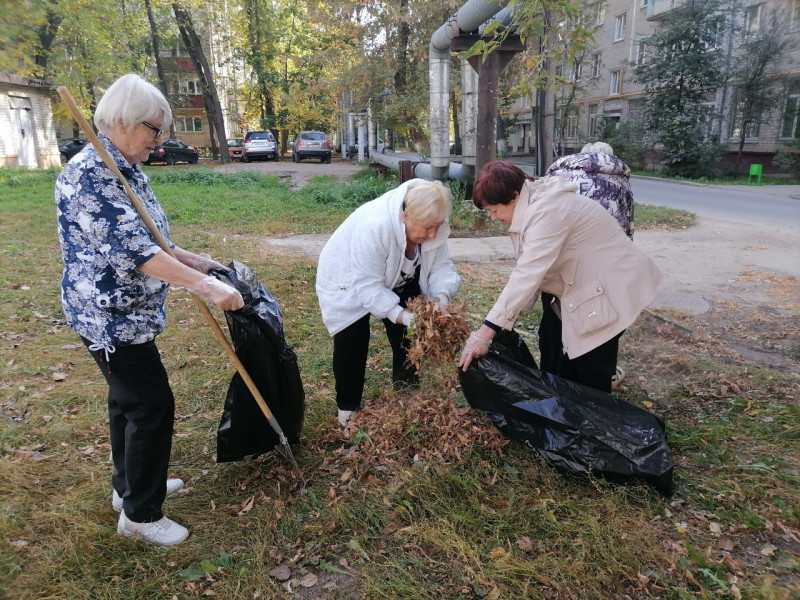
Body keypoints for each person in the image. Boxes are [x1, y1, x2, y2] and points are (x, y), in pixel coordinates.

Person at [55, 73, 244, 546]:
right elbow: (135, 254)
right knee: (150, 406)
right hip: (108, 319)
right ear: (121, 121)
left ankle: (129, 487)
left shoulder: (124, 166)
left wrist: (195, 260)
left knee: (127, 402)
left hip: (127, 315)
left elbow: (152, 240)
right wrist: (204, 286)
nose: (160, 141)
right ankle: (140, 513)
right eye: (154, 130)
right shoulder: (89, 177)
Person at [458, 161, 662, 393]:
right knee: (552, 345)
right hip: (580, 287)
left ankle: (595, 422)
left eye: (494, 210)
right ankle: (564, 414)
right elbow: (532, 275)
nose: (493, 217)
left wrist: (486, 332)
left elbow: (528, 273)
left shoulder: (548, 210)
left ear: (514, 196)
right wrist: (503, 322)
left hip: (612, 287)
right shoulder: (532, 206)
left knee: (590, 368)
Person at [316, 178, 462, 426]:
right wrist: (403, 315)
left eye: (437, 226)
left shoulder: (431, 223)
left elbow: (440, 266)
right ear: (405, 216)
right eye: (427, 228)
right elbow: (368, 287)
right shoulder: (375, 227)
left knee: (406, 338)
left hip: (399, 274)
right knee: (353, 341)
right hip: (350, 278)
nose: (433, 234)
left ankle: (407, 398)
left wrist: (441, 298)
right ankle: (347, 412)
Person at [542, 141, 635, 387]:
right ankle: (592, 390)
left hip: (557, 263)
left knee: (555, 323)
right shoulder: (620, 183)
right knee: (598, 330)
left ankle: (553, 383)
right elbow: (625, 230)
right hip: (600, 270)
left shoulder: (557, 174)